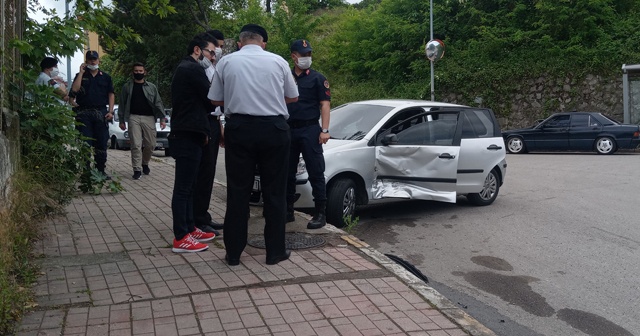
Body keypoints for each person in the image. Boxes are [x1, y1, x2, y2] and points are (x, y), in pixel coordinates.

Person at [209, 24, 299, 266]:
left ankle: (234, 254)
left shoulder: (227, 62)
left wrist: (240, 95)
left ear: (240, 43)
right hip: (274, 130)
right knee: (275, 193)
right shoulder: (278, 61)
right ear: (263, 42)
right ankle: (274, 252)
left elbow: (215, 98)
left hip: (240, 129)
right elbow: (293, 97)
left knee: (238, 192)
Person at [168, 34, 218, 253]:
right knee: (184, 188)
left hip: (191, 132)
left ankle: (190, 228)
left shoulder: (185, 68)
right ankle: (181, 237)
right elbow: (211, 99)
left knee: (190, 187)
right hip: (187, 134)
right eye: (210, 52)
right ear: (198, 50)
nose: (213, 57)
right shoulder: (192, 69)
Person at [286, 39, 331, 229]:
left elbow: (325, 104)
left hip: (310, 129)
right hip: (288, 128)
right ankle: (287, 210)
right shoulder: (285, 76)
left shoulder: (317, 78)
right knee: (287, 172)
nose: (307, 58)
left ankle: (320, 212)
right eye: (303, 55)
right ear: (293, 56)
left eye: (309, 54)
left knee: (315, 170)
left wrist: (325, 130)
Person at [193, 31, 224, 234]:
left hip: (214, 121)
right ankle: (197, 218)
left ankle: (203, 215)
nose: (216, 54)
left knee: (209, 171)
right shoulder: (197, 69)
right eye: (214, 50)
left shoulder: (213, 68)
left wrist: (220, 126)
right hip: (203, 122)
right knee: (202, 172)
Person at [70, 50, 115, 178]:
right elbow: (74, 90)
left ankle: (100, 171)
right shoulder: (80, 75)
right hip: (84, 112)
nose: (92, 61)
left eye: (94, 59)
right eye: (90, 59)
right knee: (85, 144)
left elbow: (111, 94)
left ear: (98, 60)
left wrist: (110, 111)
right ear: (86, 61)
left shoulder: (105, 77)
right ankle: (86, 172)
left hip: (100, 112)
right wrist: (81, 73)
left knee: (101, 143)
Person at [118, 62, 167, 180]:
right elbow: (122, 104)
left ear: (145, 72)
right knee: (136, 144)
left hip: (149, 117)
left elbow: (158, 102)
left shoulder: (151, 87)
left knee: (151, 144)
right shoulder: (127, 87)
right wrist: (121, 120)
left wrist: (162, 118)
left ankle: (145, 163)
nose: (138, 73)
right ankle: (137, 169)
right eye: (136, 71)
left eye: (140, 71)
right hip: (133, 117)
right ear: (132, 72)